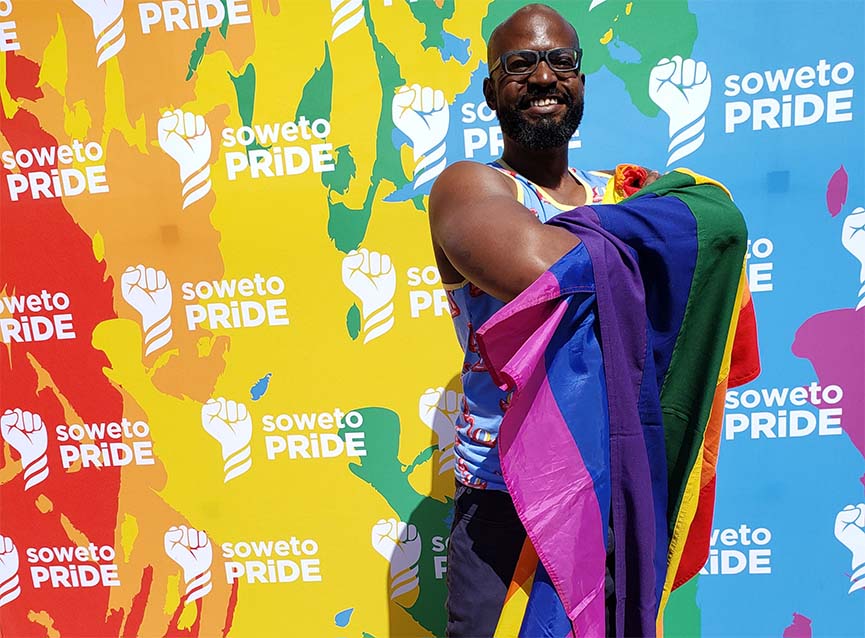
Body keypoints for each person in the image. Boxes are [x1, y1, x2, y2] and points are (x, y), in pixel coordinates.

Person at [428, 4, 658, 636]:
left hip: (609, 478)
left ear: (581, 80)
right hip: (505, 490)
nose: (543, 77)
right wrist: (651, 237)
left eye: (561, 61)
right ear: (490, 91)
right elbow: (544, 271)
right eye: (520, 64)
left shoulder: (622, 192)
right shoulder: (471, 187)